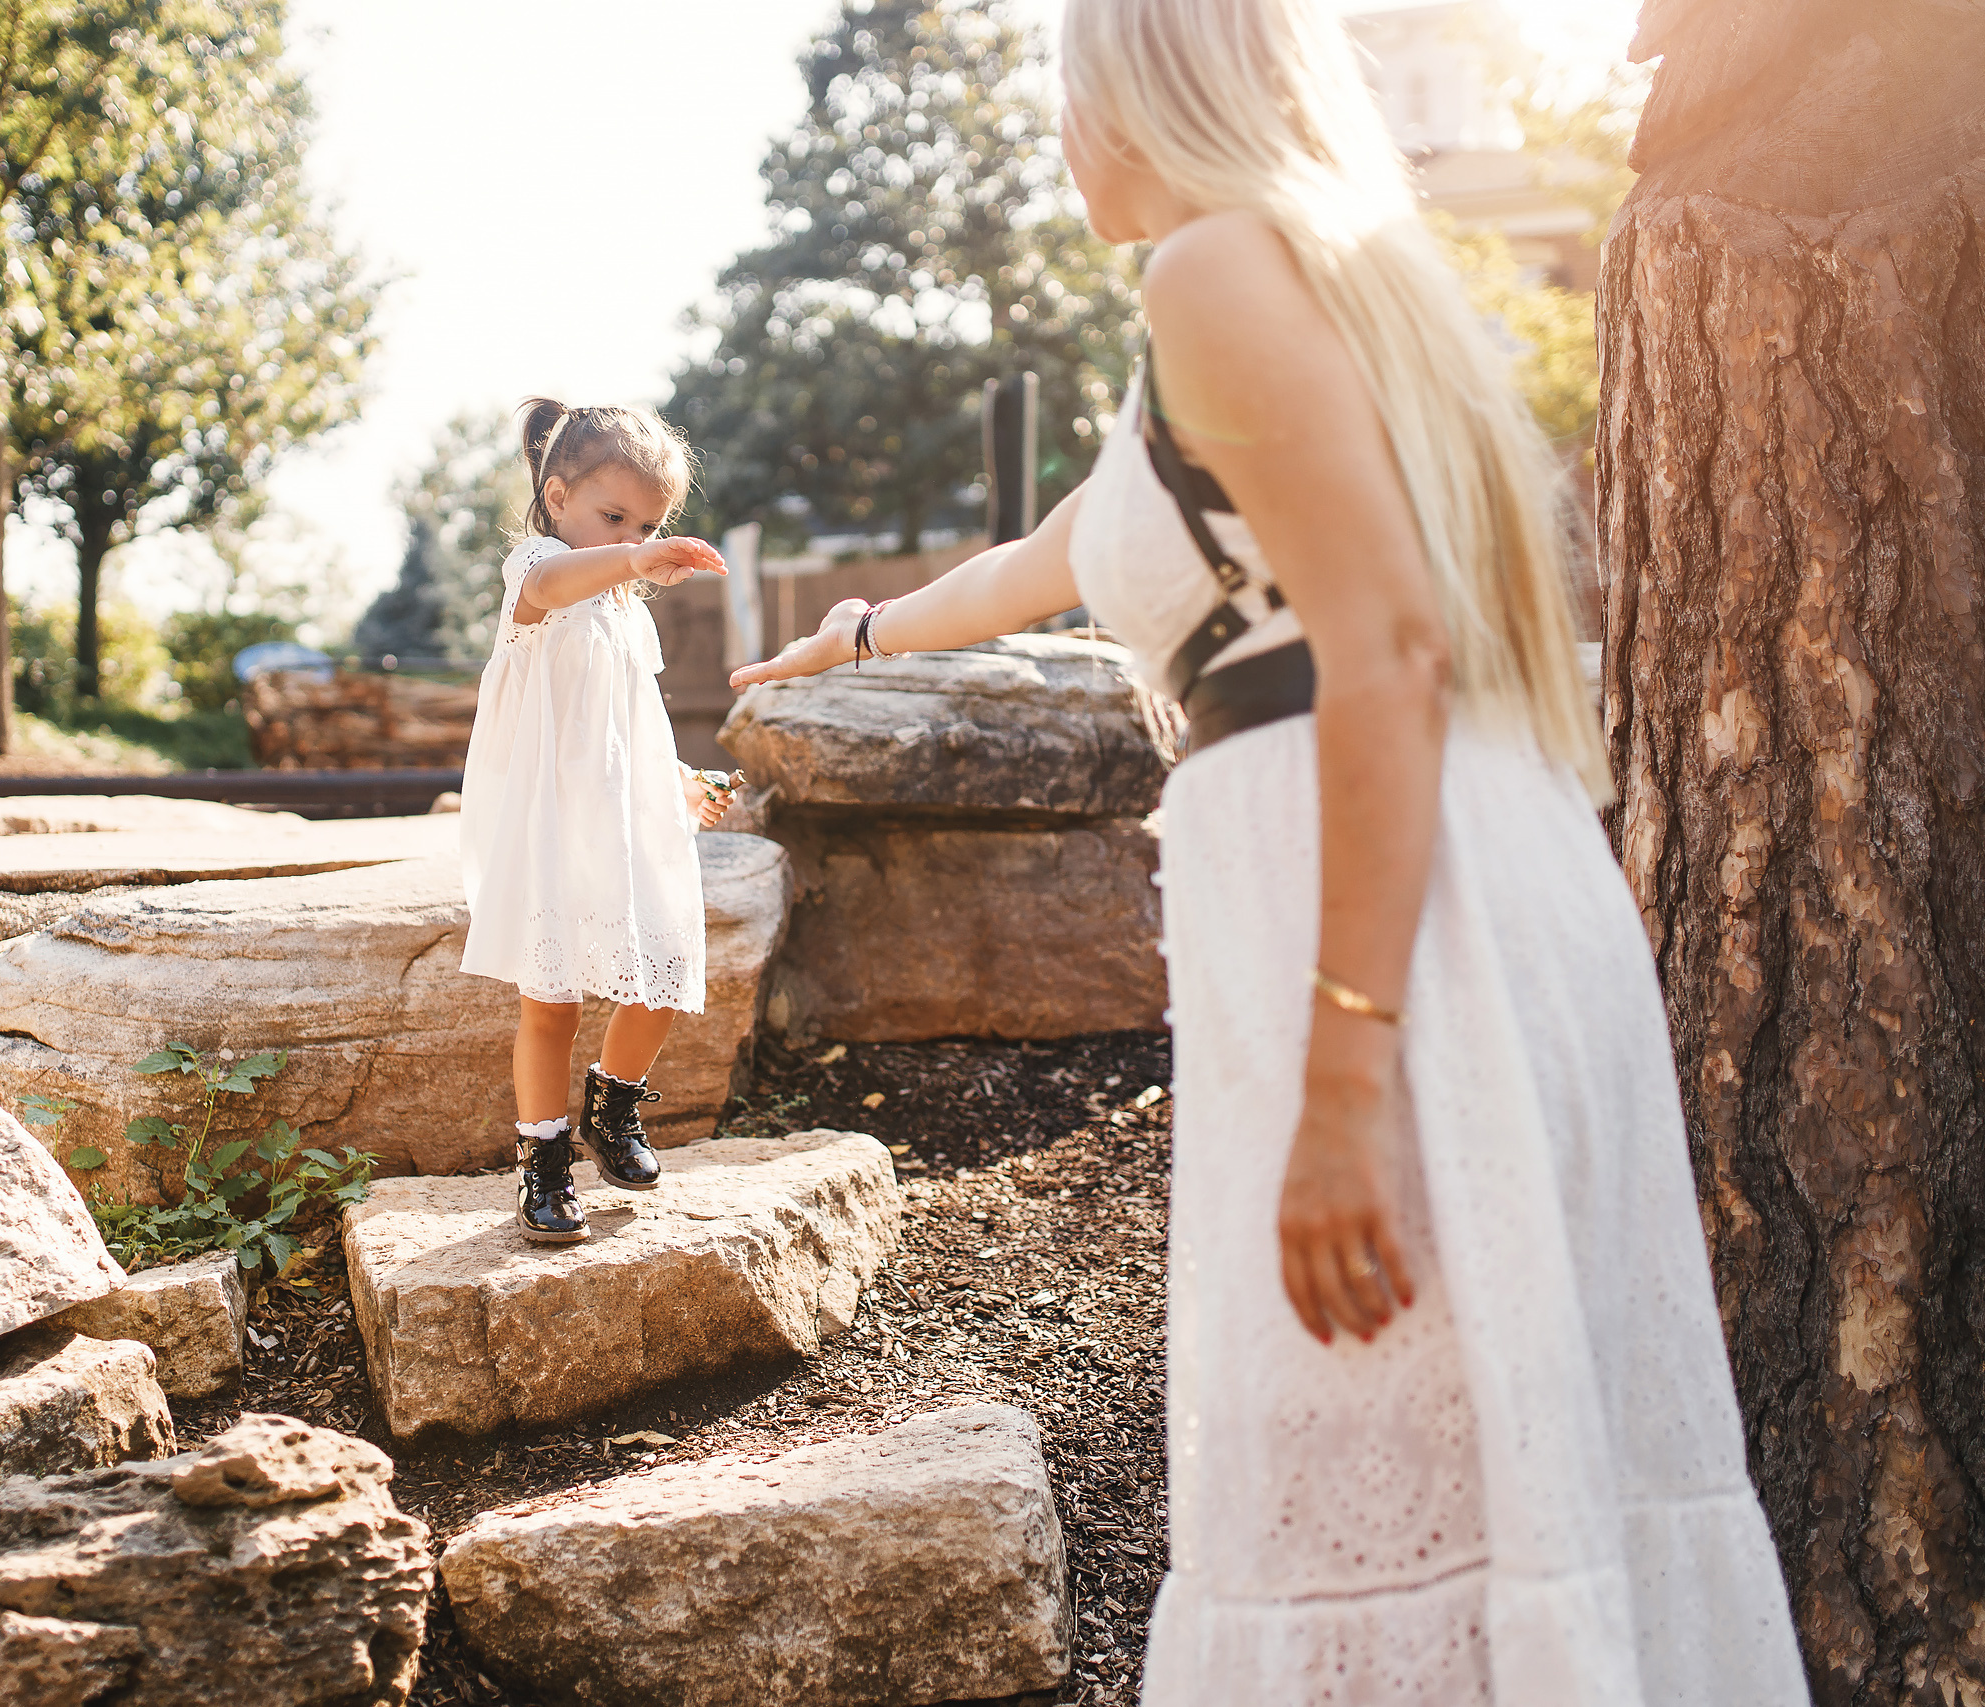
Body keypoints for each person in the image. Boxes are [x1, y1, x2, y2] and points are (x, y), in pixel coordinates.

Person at [730, 0, 1809, 1698]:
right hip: (1446, 899)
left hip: (1386, 934)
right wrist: (852, 633)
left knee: (1395, 1458)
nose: (1062, 138)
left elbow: (1383, 654)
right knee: (1487, 1455)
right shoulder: (1279, 293)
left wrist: (1341, 1089)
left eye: (1069, 93)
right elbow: (1056, 550)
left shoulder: (1214, 276)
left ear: (1149, 92)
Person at [461, 399, 736, 1244]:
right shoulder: (536, 568)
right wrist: (636, 555)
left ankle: (613, 1105)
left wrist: (680, 780)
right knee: (551, 1001)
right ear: (555, 496)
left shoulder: (623, 607)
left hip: (622, 815)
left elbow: (628, 716)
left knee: (662, 972)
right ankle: (543, 1159)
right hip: (552, 819)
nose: (633, 533)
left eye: (649, 521)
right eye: (613, 514)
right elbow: (553, 587)